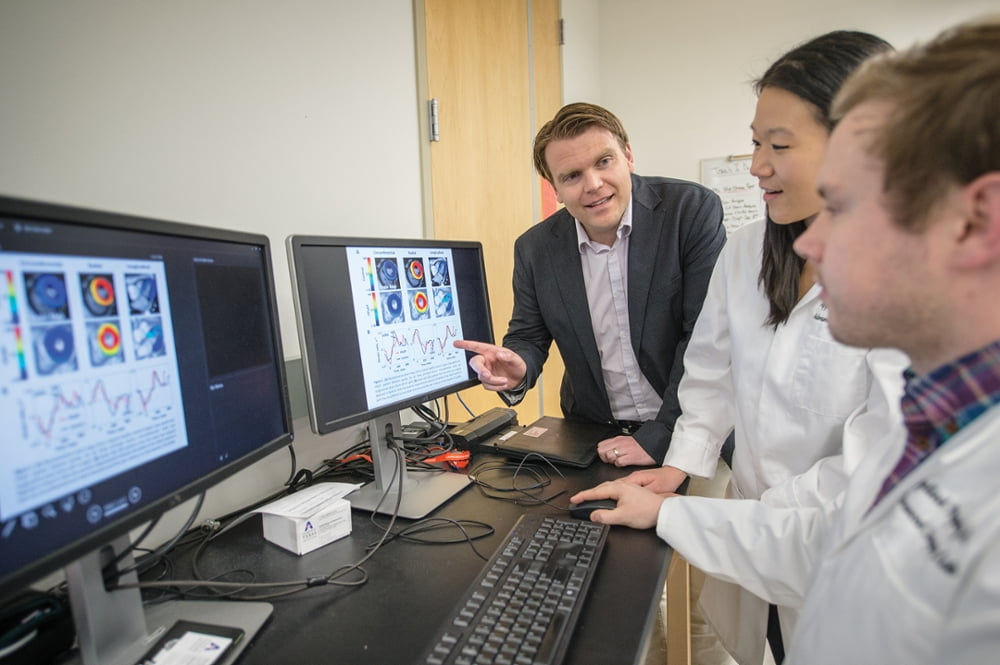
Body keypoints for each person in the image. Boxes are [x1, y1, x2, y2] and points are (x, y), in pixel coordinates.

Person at [572, 15, 1000, 664]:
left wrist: (706, 515)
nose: (811, 242)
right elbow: (833, 531)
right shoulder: (938, 411)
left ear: (977, 219)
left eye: (844, 204)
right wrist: (678, 493)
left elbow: (837, 532)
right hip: (764, 525)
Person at [625, 30, 903, 665]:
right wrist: (680, 466)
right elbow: (711, 374)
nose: (756, 165)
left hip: (833, 564)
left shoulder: (916, 290)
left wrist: (687, 518)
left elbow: (857, 489)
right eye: (755, 142)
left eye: (778, 145)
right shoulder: (749, 249)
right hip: (758, 536)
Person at [455, 102, 726, 467]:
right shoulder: (535, 248)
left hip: (689, 430)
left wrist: (659, 436)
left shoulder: (689, 210)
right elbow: (528, 336)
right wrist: (519, 368)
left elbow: (705, 337)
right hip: (594, 438)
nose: (594, 184)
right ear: (555, 189)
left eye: (604, 162)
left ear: (628, 156)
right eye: (572, 176)